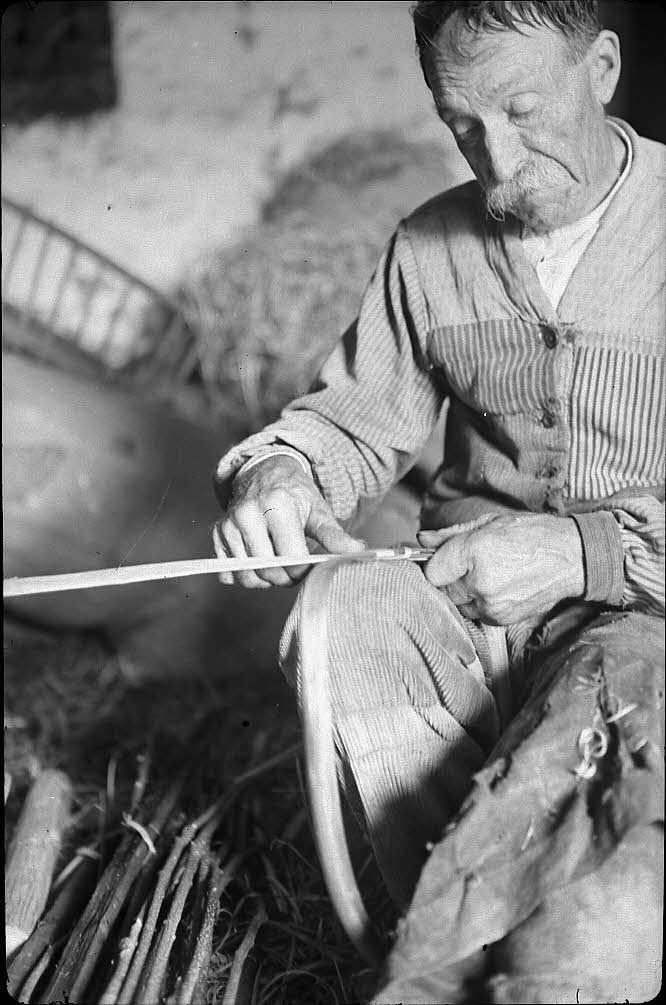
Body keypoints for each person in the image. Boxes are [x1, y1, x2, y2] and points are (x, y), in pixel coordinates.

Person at [213, 2, 664, 1000]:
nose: (494, 160)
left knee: (607, 734)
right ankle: (445, 951)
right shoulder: (427, 248)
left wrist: (583, 553)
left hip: (645, 608)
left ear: (602, 68)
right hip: (464, 600)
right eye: (462, 123)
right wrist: (280, 476)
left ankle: (512, 965)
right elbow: (345, 424)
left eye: (522, 108)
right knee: (343, 615)